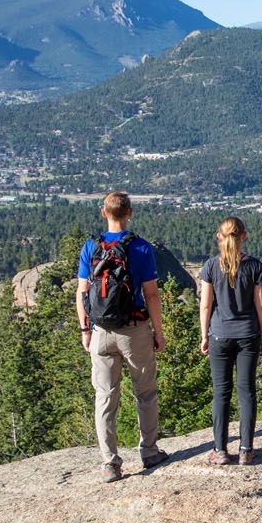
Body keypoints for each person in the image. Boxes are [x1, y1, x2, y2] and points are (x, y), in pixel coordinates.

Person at [75, 191, 168, 483]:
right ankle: (149, 451)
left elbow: (81, 293)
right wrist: (158, 332)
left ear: (105, 213)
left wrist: (85, 330)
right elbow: (151, 295)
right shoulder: (140, 248)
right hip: (134, 330)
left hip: (101, 332)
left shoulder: (91, 246)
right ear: (129, 213)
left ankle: (110, 464)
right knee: (146, 393)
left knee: (105, 397)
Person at [199, 217, 262, 465]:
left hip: (219, 334)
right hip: (248, 334)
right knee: (247, 392)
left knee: (221, 393)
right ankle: (246, 449)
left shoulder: (210, 266)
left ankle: (219, 450)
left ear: (219, 236)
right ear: (244, 236)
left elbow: (206, 304)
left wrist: (204, 335)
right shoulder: (254, 266)